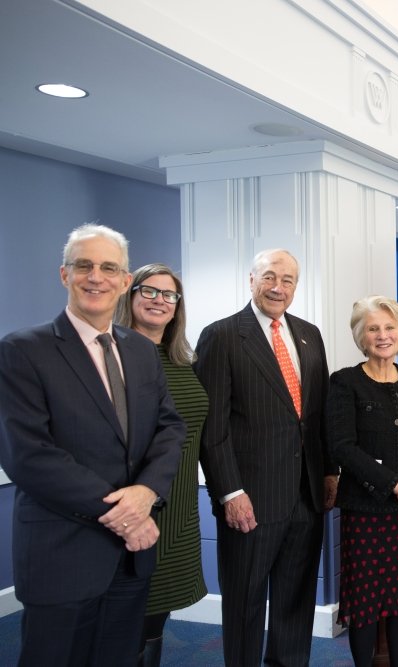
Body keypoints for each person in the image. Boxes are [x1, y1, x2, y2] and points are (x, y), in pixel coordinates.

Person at [0, 224, 184, 666]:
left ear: (124, 281)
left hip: (130, 558)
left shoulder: (140, 351)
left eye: (108, 267)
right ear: (65, 275)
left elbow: (169, 429)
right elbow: (29, 455)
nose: (95, 277)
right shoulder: (23, 350)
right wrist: (122, 515)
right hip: (63, 551)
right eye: (83, 265)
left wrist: (146, 493)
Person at [195, 249, 337, 667]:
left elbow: (319, 413)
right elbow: (212, 428)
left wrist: (330, 471)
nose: (279, 287)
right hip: (251, 499)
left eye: (288, 279)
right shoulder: (221, 336)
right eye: (270, 277)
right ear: (251, 280)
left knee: (296, 600)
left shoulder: (310, 334)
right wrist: (230, 492)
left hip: (307, 495)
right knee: (244, 602)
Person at [327, 295, 398, 667]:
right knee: (365, 602)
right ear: (362, 337)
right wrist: (396, 485)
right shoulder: (345, 382)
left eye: (389, 327)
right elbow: (342, 446)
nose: (382, 335)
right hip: (366, 511)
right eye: (373, 329)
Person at [114, 263, 207, 666]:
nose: (159, 301)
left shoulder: (184, 361)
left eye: (169, 295)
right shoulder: (111, 355)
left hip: (181, 503)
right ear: (130, 296)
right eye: (149, 291)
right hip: (136, 507)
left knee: (157, 613)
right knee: (127, 617)